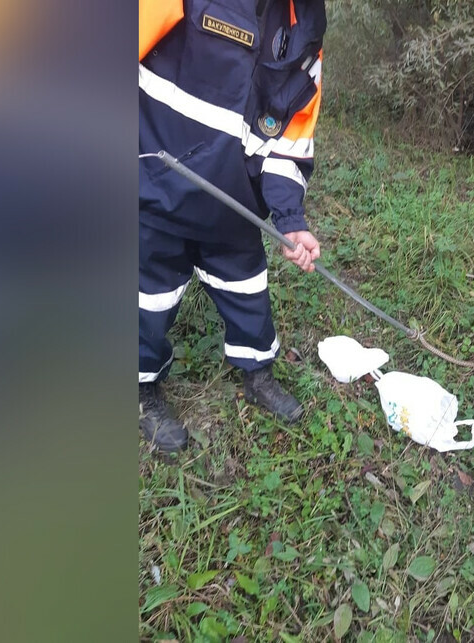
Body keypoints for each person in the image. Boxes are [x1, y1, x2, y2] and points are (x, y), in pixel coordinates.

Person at [138, 0, 326, 452]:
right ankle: (141, 389)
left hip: (233, 204)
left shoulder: (307, 30)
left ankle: (258, 374)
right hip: (157, 188)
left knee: (249, 292)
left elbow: (291, 138)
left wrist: (290, 219)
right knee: (146, 299)